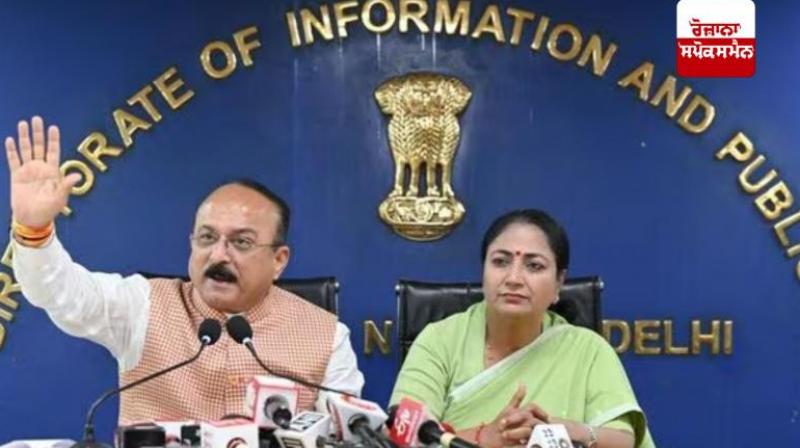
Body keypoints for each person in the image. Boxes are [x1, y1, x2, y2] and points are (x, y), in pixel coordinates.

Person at [5, 116, 364, 424]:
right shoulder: (143, 306)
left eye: (241, 242)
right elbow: (61, 294)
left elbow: (350, 436)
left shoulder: (326, 338)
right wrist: (34, 228)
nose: (218, 255)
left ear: (279, 260)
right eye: (207, 237)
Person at [390, 209, 655, 448]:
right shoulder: (439, 340)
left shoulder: (588, 349)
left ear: (559, 282)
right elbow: (401, 434)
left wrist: (553, 429)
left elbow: (623, 439)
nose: (514, 278)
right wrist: (487, 437)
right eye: (500, 262)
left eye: (534, 266)